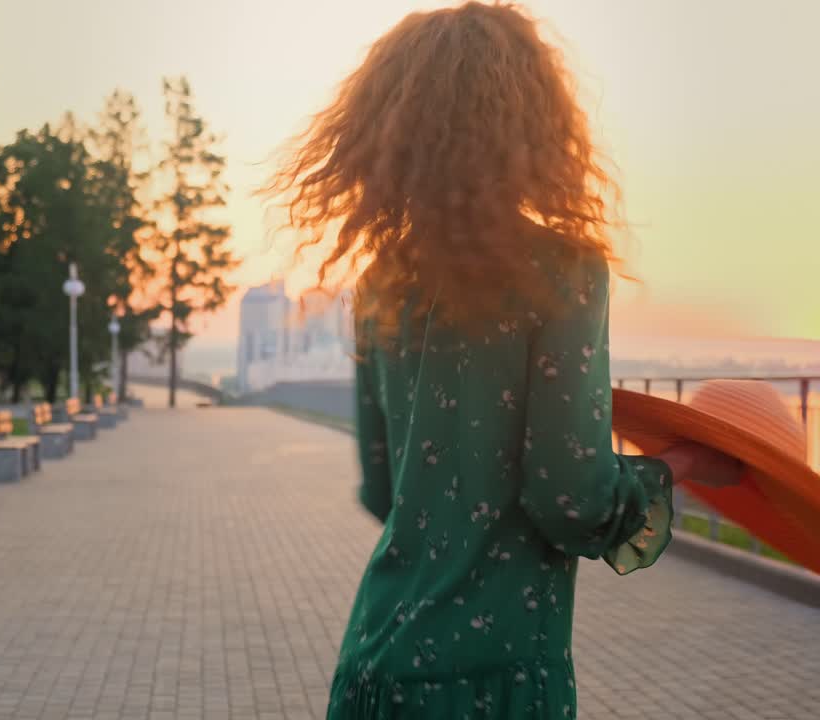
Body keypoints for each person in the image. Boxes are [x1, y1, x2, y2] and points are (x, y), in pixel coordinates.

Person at [264, 3, 742, 718]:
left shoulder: (380, 282)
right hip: (494, 680)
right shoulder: (564, 272)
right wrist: (685, 463)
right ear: (534, 127)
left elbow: (380, 486)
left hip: (375, 667)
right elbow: (570, 498)